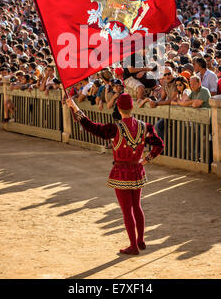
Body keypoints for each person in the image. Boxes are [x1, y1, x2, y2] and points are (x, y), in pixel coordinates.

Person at [66, 93, 164, 255]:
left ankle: (133, 245)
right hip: (137, 170)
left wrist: (74, 107)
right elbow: (159, 145)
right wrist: (146, 160)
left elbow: (91, 126)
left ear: (118, 108)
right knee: (137, 207)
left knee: (127, 211)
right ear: (132, 107)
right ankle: (140, 240)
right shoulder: (145, 126)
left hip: (121, 172)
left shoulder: (114, 128)